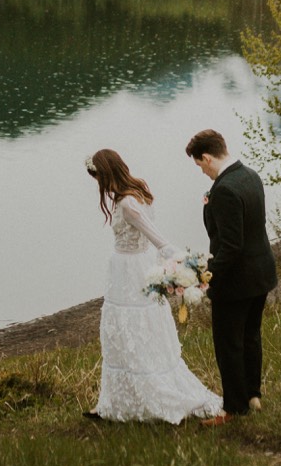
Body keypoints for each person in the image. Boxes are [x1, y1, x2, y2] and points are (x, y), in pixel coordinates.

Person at [85, 148, 223, 423]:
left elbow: (156, 237)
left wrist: (184, 264)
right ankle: (116, 403)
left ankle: (151, 397)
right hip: (124, 269)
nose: (97, 183)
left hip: (132, 271)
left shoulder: (128, 203)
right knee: (121, 334)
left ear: (107, 172)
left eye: (97, 176)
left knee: (134, 330)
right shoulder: (133, 192)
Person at [187, 128, 277, 423]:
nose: (201, 171)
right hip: (261, 272)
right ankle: (253, 395)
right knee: (250, 335)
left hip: (236, 280)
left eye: (200, 165)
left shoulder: (223, 190)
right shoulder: (250, 175)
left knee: (228, 343)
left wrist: (206, 277)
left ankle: (233, 407)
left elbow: (230, 245)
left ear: (208, 157)